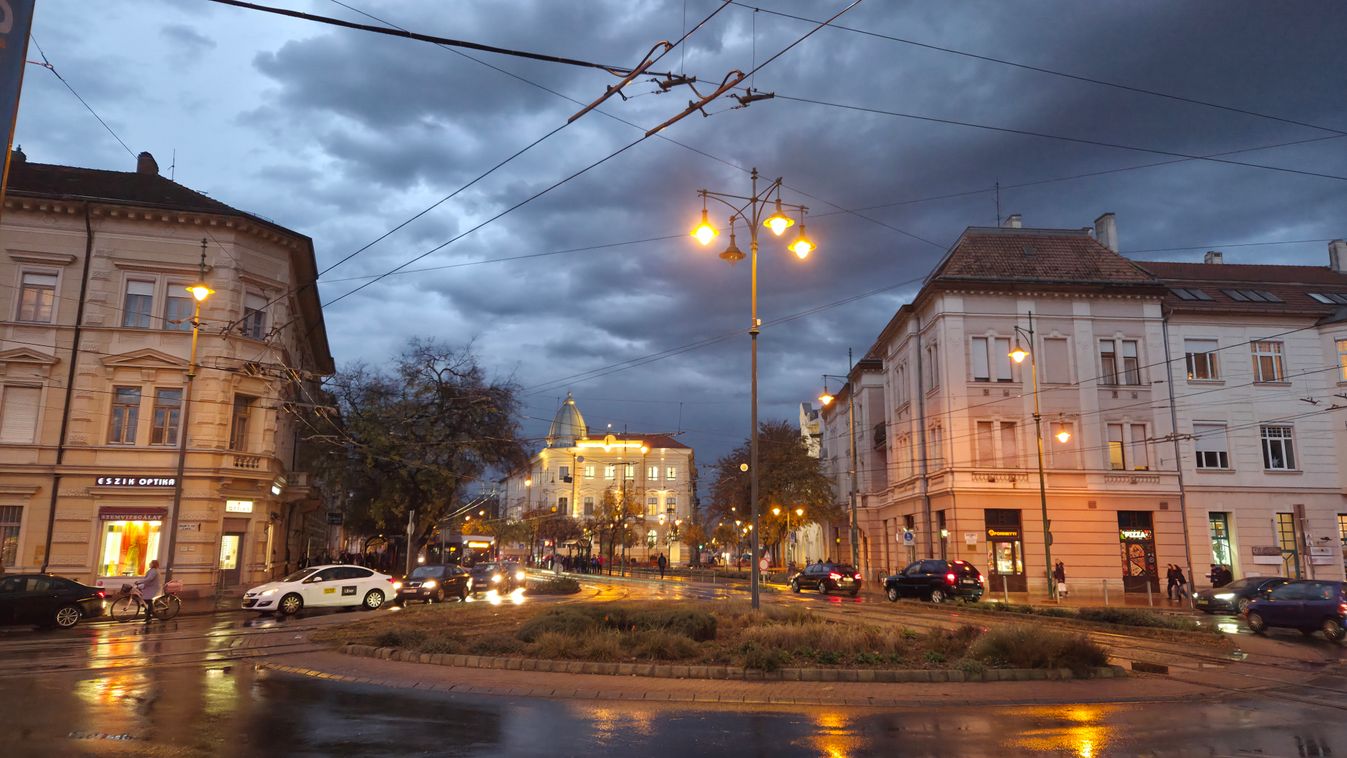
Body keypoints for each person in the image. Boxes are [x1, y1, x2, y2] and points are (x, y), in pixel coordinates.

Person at [138, 559, 162, 624]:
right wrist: (140, 583)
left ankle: (149, 616)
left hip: (153, 588)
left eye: (150, 563)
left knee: (148, 600)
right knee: (145, 599)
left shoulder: (154, 571)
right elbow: (147, 579)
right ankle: (147, 610)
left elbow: (149, 579)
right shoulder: (152, 570)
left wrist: (139, 582)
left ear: (153, 564)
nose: (149, 564)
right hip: (150, 587)